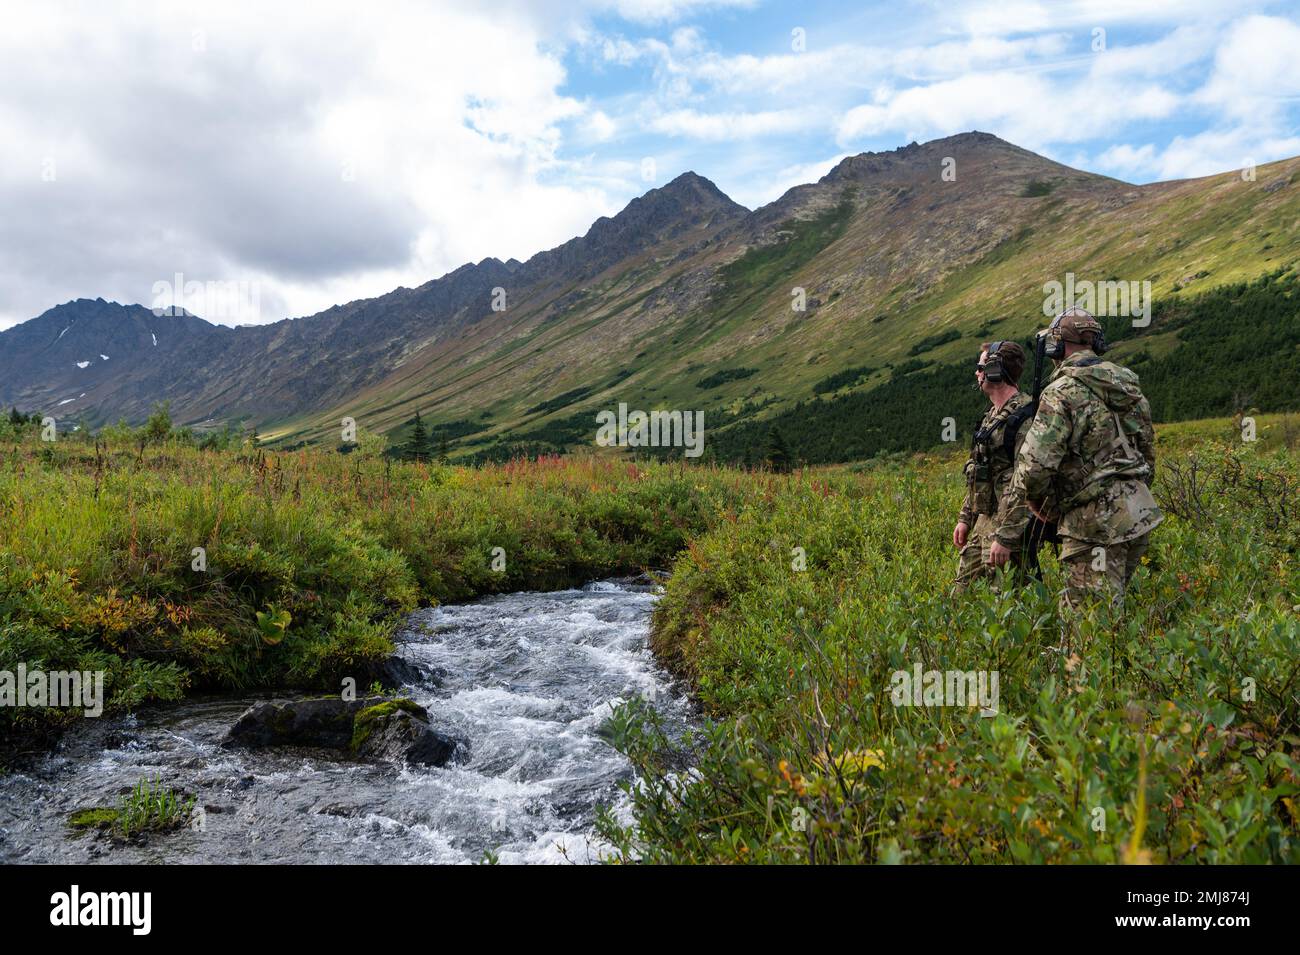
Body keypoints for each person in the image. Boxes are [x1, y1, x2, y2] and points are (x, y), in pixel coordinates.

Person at [991, 307, 1162, 616]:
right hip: (1139, 514)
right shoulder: (1128, 385)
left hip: (1092, 526)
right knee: (1113, 617)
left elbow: (1034, 470)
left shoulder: (1060, 392)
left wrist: (1037, 503)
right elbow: (1147, 450)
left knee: (1087, 631)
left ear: (1056, 345)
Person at [952, 340, 1045, 592]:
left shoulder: (1025, 417)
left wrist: (1006, 537)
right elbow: (980, 471)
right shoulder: (991, 417)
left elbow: (1029, 482)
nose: (977, 373)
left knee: (1007, 604)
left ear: (995, 371)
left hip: (1008, 528)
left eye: (981, 367)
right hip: (984, 523)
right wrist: (966, 518)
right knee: (961, 598)